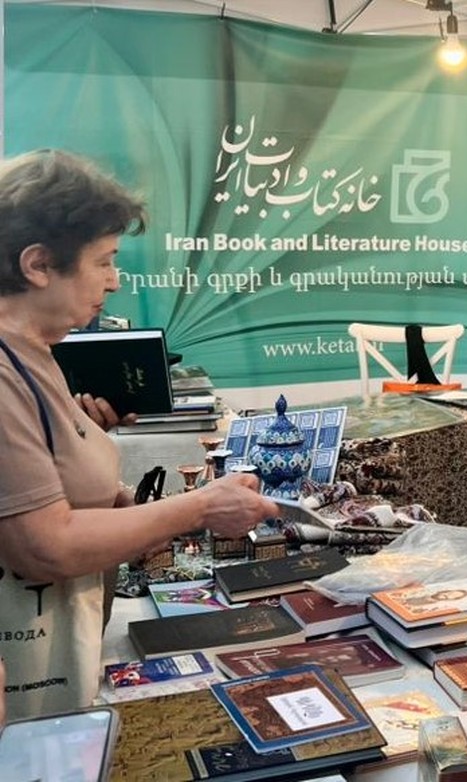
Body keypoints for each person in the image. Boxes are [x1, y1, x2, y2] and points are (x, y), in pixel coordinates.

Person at [0, 149, 279, 720]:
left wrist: (110, 489)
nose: (114, 280)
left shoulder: (41, 352)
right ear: (39, 265)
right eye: (103, 261)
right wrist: (198, 508)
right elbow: (45, 547)